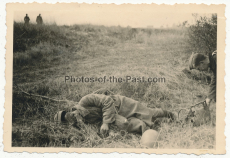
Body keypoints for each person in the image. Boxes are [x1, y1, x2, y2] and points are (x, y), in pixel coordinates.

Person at [54, 89, 177, 135]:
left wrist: (105, 123)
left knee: (148, 113)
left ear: (70, 111)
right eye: (68, 120)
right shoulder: (80, 123)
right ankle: (151, 131)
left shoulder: (84, 101)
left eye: (69, 115)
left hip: (120, 104)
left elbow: (107, 101)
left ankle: (170, 114)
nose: (73, 117)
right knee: (128, 124)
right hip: (114, 117)